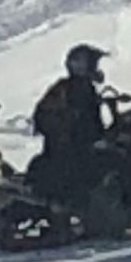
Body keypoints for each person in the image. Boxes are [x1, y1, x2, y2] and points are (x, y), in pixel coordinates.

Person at [31, 44, 110, 203]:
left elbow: (94, 123)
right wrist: (67, 126)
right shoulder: (66, 88)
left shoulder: (87, 88)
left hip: (82, 145)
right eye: (92, 63)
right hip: (69, 149)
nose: (95, 67)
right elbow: (44, 116)